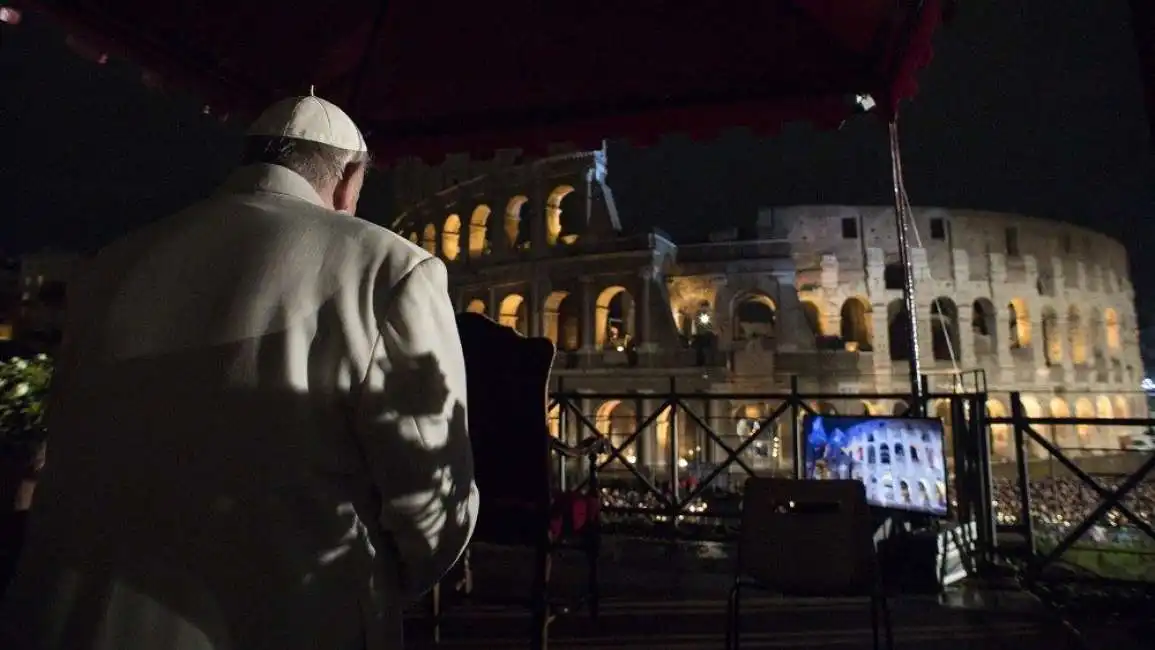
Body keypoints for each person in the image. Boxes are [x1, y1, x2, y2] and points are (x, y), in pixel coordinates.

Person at [0, 95, 478, 650]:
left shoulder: (111, 261)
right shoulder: (392, 268)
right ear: (349, 179)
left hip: (76, 617)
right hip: (279, 617)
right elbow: (431, 495)